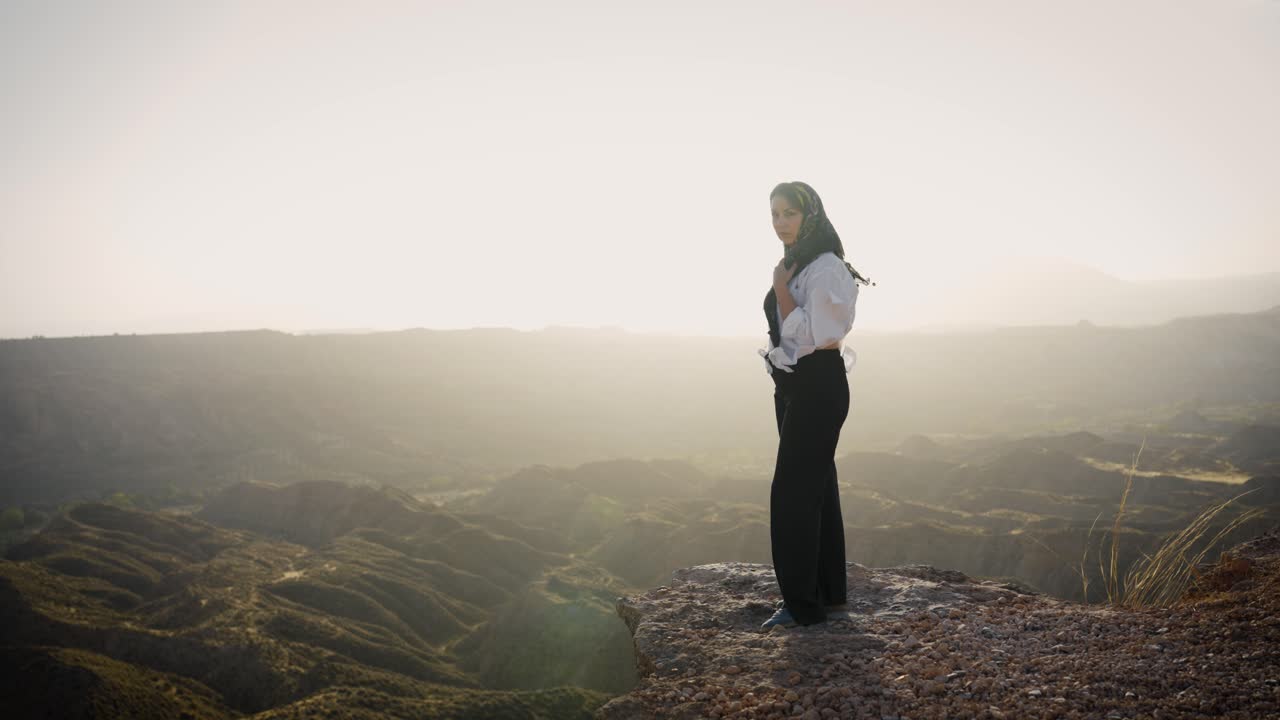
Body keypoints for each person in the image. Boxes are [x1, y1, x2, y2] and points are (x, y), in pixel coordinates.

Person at [757, 181, 870, 629]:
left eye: (790, 214)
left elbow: (817, 335)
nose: (781, 223)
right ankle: (828, 594)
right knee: (818, 488)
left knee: (792, 496)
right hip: (795, 386)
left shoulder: (825, 268)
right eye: (774, 215)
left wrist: (781, 290)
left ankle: (801, 606)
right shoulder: (798, 263)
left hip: (817, 384)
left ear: (811, 216)